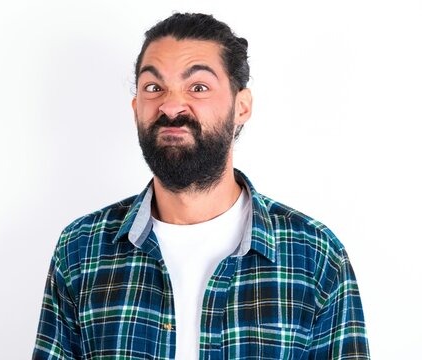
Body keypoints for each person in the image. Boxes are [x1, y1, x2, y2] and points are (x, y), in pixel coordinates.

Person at [33, 12, 370, 359]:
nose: (171, 105)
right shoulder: (81, 251)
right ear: (136, 109)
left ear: (241, 107)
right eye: (153, 87)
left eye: (198, 87)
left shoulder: (315, 258)